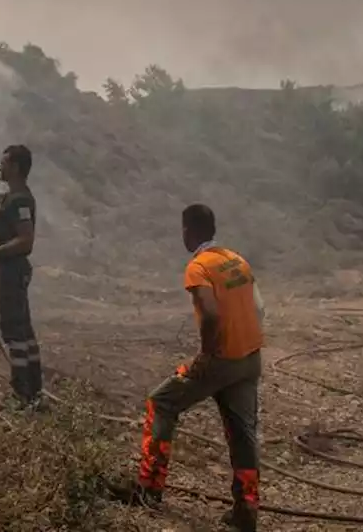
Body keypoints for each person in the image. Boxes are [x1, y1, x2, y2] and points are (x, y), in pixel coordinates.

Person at [122, 204, 263, 532]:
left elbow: (211, 314)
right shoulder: (236, 260)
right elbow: (258, 307)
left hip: (222, 360)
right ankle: (246, 510)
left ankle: (149, 488)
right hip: (250, 358)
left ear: (190, 230)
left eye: (183, 230)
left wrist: (207, 354)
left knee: (161, 402)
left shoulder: (199, 267)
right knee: (243, 434)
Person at [0, 144, 42, 408]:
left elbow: (25, 241)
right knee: (24, 332)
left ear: (14, 167)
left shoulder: (21, 200)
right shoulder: (13, 197)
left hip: (12, 271)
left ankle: (22, 395)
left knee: (15, 333)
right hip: (10, 270)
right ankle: (34, 392)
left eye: (3, 163)